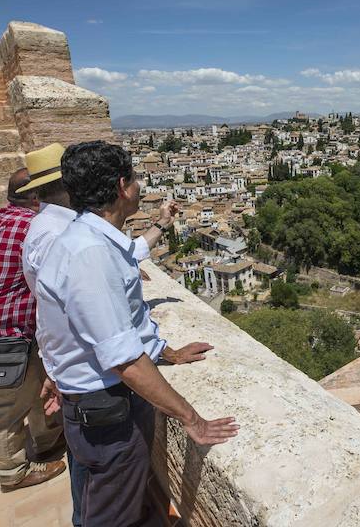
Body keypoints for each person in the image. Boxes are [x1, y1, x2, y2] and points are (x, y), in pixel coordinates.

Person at [34, 141, 239, 526]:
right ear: (121, 187)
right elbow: (125, 359)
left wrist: (168, 353)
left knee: (112, 501)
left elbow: (68, 321)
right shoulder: (89, 254)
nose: (140, 185)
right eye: (135, 178)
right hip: (108, 413)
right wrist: (192, 419)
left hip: (93, 406)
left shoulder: (86, 238)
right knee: (110, 517)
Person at [0, 169, 66, 492]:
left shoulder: (1, 219)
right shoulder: (30, 226)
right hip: (4, 333)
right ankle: (12, 471)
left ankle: (47, 442)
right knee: (6, 407)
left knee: (33, 384)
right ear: (35, 197)